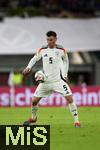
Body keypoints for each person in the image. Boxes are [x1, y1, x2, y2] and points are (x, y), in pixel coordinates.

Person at [22, 31, 81, 127]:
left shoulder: (61, 50)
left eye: (51, 40)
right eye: (48, 40)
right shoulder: (42, 50)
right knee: (34, 101)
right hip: (45, 82)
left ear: (55, 39)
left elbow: (66, 61)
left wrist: (65, 74)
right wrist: (28, 68)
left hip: (58, 81)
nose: (49, 42)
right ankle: (33, 118)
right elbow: (34, 58)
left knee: (70, 99)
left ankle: (76, 122)